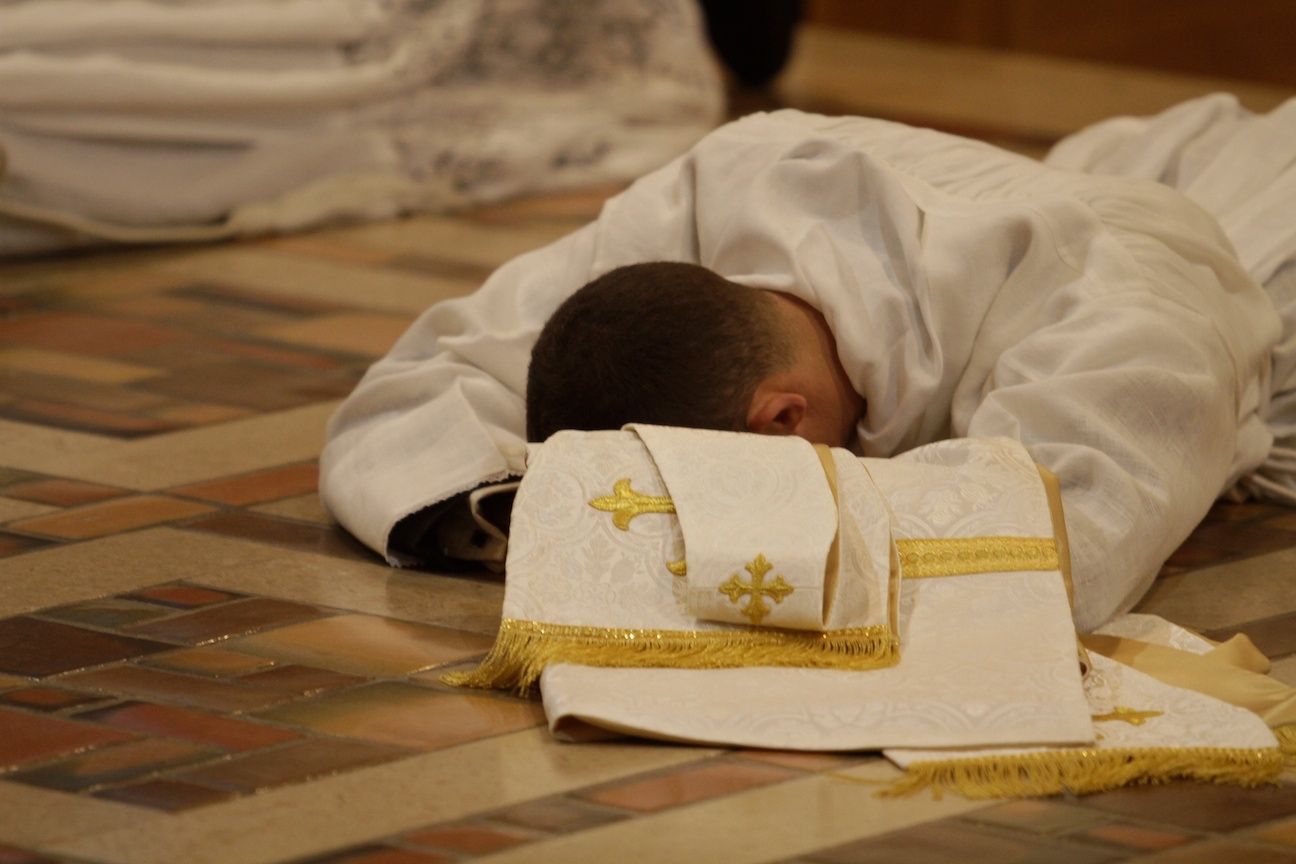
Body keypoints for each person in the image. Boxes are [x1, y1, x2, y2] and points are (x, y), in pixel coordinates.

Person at [320, 95, 1296, 632]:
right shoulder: (701, 205)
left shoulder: (1112, 317)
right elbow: (412, 394)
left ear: (782, 418)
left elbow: (1036, 555)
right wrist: (540, 510)